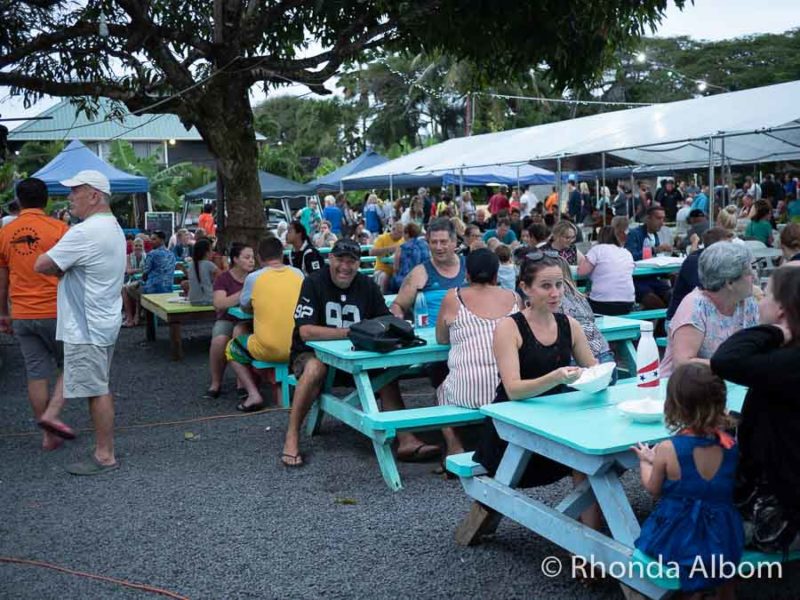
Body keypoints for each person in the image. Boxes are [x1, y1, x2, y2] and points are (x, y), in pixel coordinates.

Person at [280, 238, 439, 467]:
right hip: (311, 356)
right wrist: (352, 332)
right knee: (315, 368)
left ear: (358, 264)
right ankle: (292, 435)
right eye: (340, 260)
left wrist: (401, 329)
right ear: (330, 259)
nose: (345, 266)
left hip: (357, 356)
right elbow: (305, 332)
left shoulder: (367, 285)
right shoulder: (313, 283)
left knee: (387, 372)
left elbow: (384, 322)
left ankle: (406, 440)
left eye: (351, 261)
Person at [471, 253, 600, 526]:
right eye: (546, 286)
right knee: (586, 460)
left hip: (557, 424)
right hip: (510, 434)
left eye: (559, 285)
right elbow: (513, 389)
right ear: (525, 288)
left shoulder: (570, 325)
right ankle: (591, 545)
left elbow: (593, 370)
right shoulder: (509, 327)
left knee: (594, 458)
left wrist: (599, 376)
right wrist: (556, 377)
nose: (555, 293)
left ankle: (593, 549)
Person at [34, 169, 126, 475]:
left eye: (76, 191)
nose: (69, 197)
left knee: (96, 389)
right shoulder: (112, 226)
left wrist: (62, 270)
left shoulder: (85, 231)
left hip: (86, 324)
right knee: (94, 382)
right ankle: (62, 419)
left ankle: (104, 455)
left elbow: (41, 264)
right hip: (101, 320)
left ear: (94, 195)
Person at [633, 363, 742, 596]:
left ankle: (694, 592)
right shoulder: (731, 446)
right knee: (726, 576)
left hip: (677, 533)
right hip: (723, 533)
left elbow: (653, 488)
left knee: (683, 560)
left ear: (675, 407)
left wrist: (646, 462)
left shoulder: (668, 448)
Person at [711, 266, 800, 553]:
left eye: (767, 294)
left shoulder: (789, 364)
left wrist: (774, 331)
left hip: (781, 513)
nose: (759, 299)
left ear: (783, 311)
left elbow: (725, 359)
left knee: (686, 516)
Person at [0, 178, 70, 451]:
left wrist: (3, 313)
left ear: (18, 200)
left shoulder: (5, 233)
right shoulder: (60, 229)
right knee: (72, 364)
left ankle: (47, 433)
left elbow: (2, 278)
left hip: (22, 314)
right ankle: (54, 416)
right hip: (56, 311)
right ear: (47, 199)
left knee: (36, 373)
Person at [226, 237, 304, 411]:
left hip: (269, 349)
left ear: (260, 258)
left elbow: (245, 307)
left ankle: (253, 394)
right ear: (282, 254)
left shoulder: (254, 278)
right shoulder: (298, 274)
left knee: (232, 347)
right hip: (299, 346)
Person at [661, 242, 758, 378]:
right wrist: (733, 366)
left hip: (730, 384)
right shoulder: (696, 306)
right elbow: (683, 364)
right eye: (749, 272)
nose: (754, 276)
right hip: (686, 387)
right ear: (729, 282)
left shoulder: (747, 302)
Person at [390, 218, 466, 326]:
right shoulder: (419, 273)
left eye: (443, 242)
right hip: (430, 338)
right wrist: (397, 318)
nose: (438, 247)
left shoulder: (469, 267)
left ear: (454, 242)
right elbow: (398, 305)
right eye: (434, 242)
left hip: (467, 335)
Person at [204, 243, 255, 399]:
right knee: (219, 340)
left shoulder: (256, 277)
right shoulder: (224, 278)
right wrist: (243, 293)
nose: (251, 261)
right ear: (235, 259)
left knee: (239, 333)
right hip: (227, 318)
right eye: (247, 257)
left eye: (253, 257)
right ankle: (216, 382)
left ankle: (243, 382)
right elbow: (219, 304)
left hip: (250, 320)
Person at [554, 256, 617, 378]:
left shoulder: (553, 298)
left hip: (577, 362)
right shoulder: (579, 296)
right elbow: (591, 318)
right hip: (604, 356)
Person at [666, 227, 732, 321]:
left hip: (705, 318)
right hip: (681, 321)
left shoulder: (720, 261)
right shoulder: (695, 262)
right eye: (728, 247)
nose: (732, 251)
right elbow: (707, 292)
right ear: (714, 248)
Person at [578, 221, 635, 316]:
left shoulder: (597, 249)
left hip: (602, 303)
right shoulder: (626, 252)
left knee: (577, 303)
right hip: (627, 303)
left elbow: (581, 271)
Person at [122, 230, 176, 327]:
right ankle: (138, 315)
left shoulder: (152, 254)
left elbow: (145, 274)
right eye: (151, 239)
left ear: (162, 240)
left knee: (126, 289)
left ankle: (130, 318)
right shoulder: (171, 254)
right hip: (168, 288)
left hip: (153, 289)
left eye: (154, 239)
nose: (151, 241)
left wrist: (140, 281)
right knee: (136, 287)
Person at [625, 206, 673, 309]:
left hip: (653, 277)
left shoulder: (655, 235)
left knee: (672, 296)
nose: (661, 222)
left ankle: (663, 322)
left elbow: (655, 259)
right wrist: (655, 250)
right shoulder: (634, 234)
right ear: (648, 218)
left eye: (663, 219)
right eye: (658, 218)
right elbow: (630, 256)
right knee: (656, 303)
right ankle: (662, 322)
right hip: (637, 280)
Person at [389, 222, 429, 292]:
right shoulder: (425, 245)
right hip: (423, 281)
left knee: (391, 281)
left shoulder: (402, 247)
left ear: (407, 234)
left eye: (404, 233)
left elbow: (396, 268)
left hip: (405, 282)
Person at [370, 221, 404, 292]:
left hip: (397, 271)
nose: (401, 235)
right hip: (382, 269)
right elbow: (372, 252)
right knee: (384, 277)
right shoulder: (382, 238)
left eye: (402, 233)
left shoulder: (402, 240)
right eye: (399, 232)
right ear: (393, 230)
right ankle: (382, 298)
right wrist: (389, 249)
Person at [187, 238, 218, 306]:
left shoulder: (191, 265)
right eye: (211, 250)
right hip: (208, 299)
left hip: (193, 300)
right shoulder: (208, 264)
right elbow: (223, 277)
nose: (213, 253)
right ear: (207, 253)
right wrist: (225, 264)